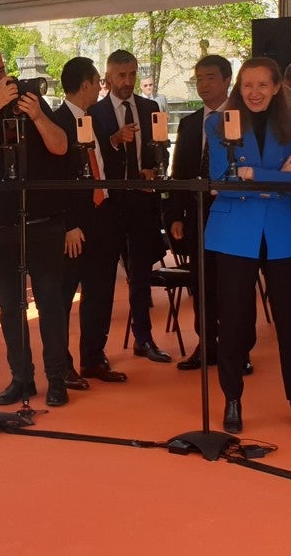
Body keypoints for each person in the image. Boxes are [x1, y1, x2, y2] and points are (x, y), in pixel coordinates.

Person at [0, 45, 74, 408]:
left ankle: (57, 379)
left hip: (44, 222)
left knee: (51, 303)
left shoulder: (32, 102)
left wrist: (37, 115)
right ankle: (22, 378)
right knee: (9, 307)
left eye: (1, 69)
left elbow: (62, 147)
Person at [205, 57, 291, 435]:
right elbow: (222, 181)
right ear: (238, 87)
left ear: (277, 86)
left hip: (283, 232)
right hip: (234, 233)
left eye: (262, 85)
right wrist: (273, 179)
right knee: (234, 321)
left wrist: (254, 175)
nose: (254, 92)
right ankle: (232, 398)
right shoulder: (218, 123)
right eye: (247, 85)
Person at [89, 49, 171, 363]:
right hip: (108, 203)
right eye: (121, 75)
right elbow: (90, 156)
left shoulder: (151, 108)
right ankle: (97, 349)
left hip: (141, 199)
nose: (127, 81)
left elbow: (161, 149)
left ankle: (144, 338)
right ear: (107, 78)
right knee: (105, 275)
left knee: (140, 273)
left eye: (132, 74)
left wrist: (154, 167)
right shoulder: (94, 113)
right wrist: (113, 140)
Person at [53, 57, 126, 387]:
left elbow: (101, 162)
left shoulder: (93, 119)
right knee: (63, 296)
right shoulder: (55, 123)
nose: (102, 87)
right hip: (74, 225)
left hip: (104, 215)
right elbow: (54, 182)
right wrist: (68, 223)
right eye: (98, 81)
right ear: (85, 84)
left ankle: (93, 358)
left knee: (101, 291)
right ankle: (62, 364)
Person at [167, 55, 232, 371]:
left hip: (233, 213)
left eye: (210, 78)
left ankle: (236, 349)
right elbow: (179, 172)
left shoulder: (240, 118)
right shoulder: (190, 123)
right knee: (201, 283)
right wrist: (176, 215)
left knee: (232, 283)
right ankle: (206, 344)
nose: (204, 85)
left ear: (226, 80)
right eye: (200, 79)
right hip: (197, 215)